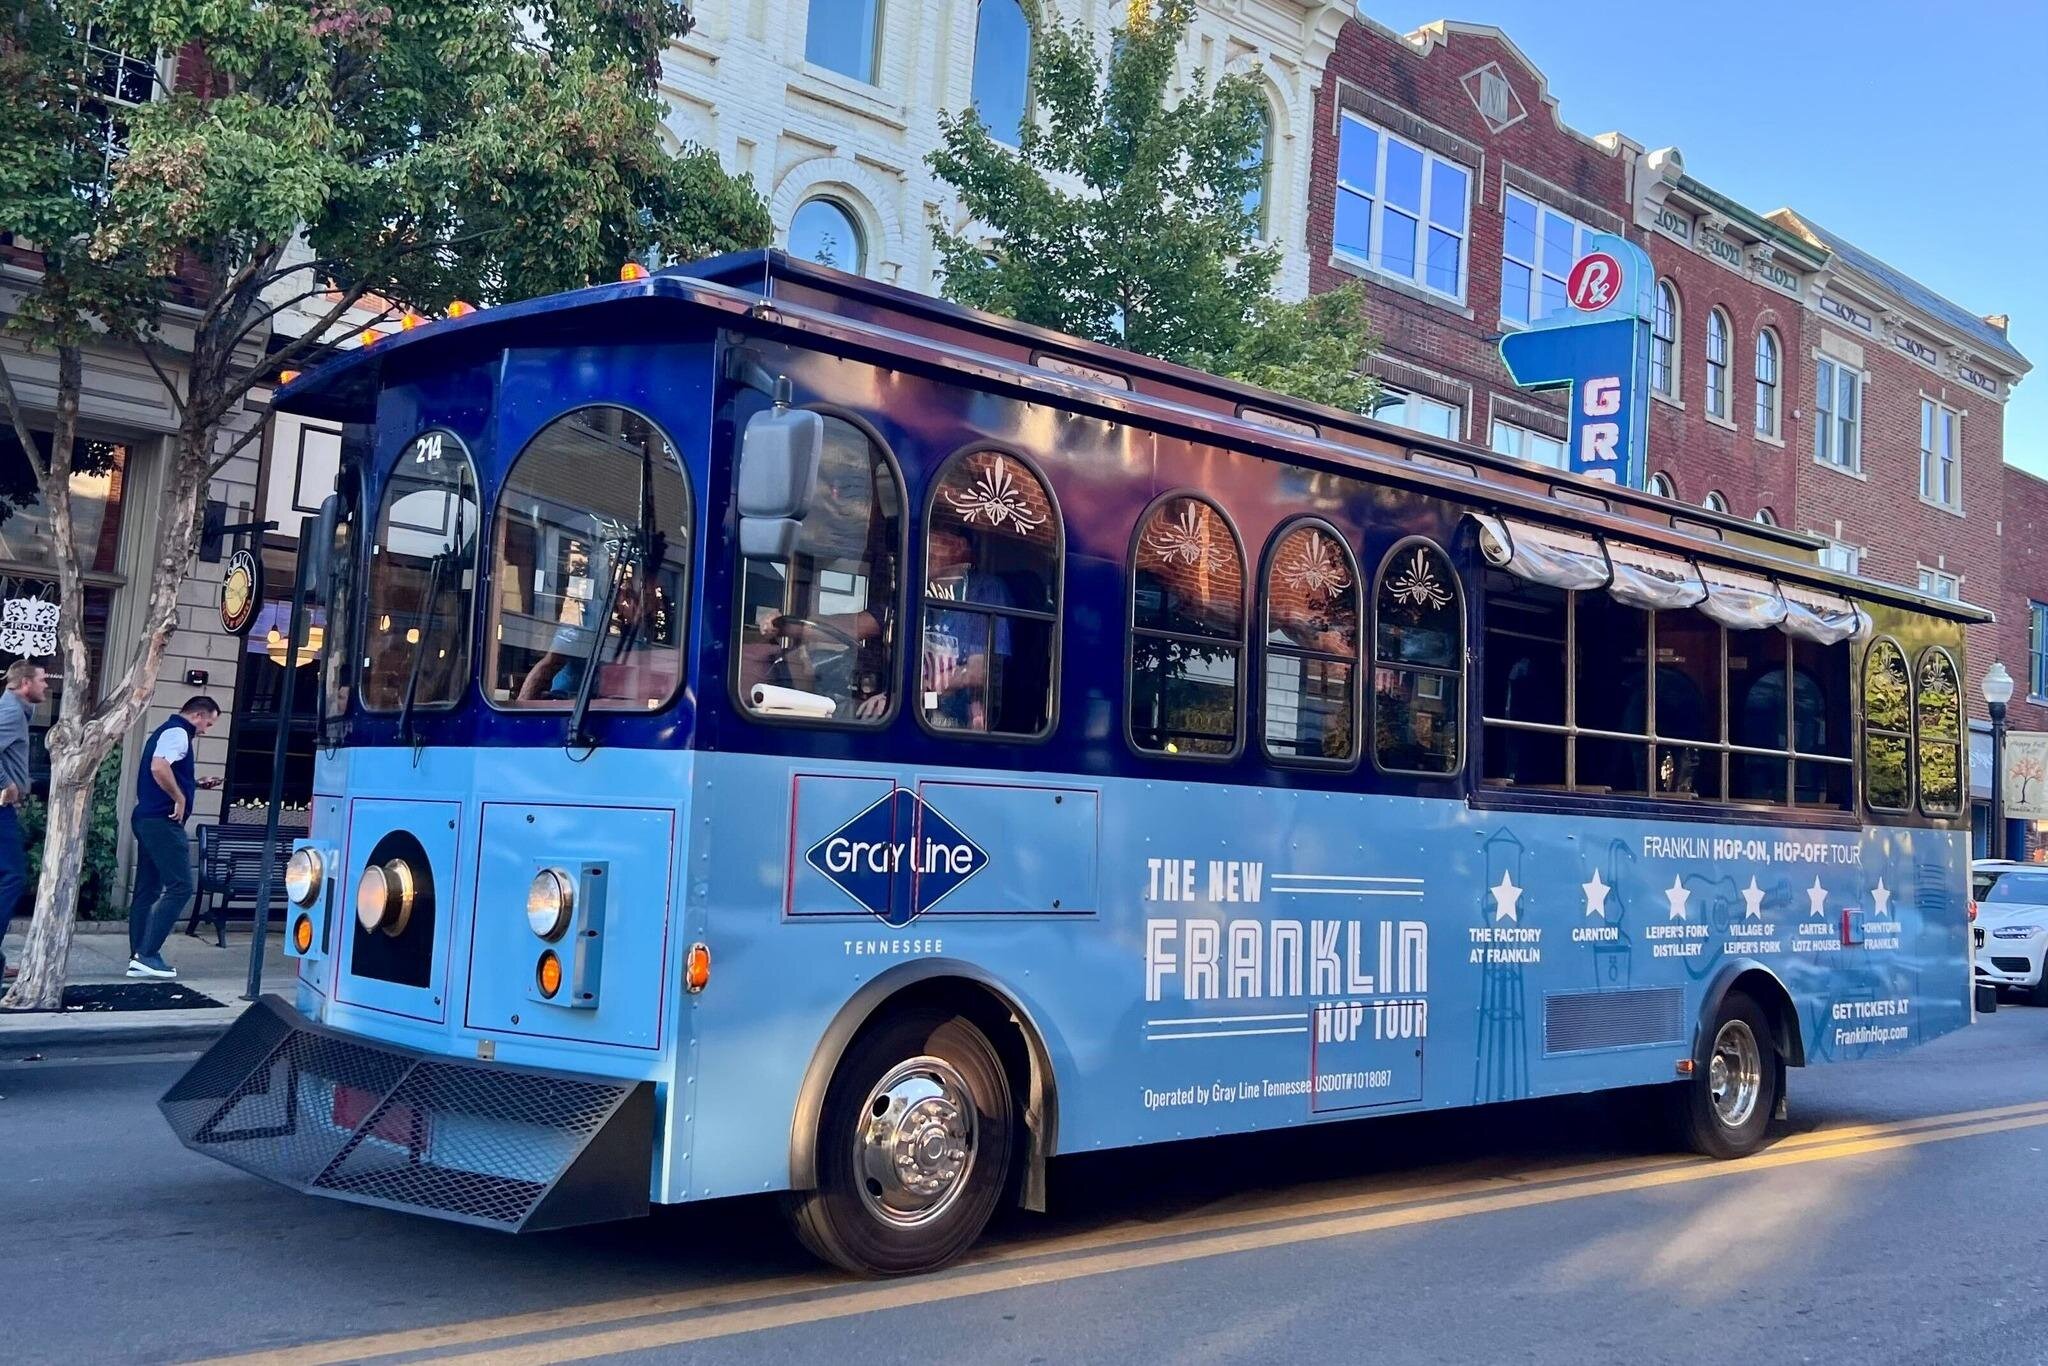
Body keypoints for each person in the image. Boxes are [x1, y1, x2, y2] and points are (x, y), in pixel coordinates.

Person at [126, 696, 222, 980]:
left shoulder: (166, 731)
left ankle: (138, 956)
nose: (206, 730)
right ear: (198, 715)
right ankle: (147, 954)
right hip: (163, 823)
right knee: (181, 887)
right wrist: (179, 797)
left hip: (147, 818)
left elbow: (162, 770)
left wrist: (194, 784)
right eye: (208, 723)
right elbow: (159, 767)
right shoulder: (179, 733)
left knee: (147, 890)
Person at [921, 524, 1012, 731]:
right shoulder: (920, 588)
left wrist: (921, 686)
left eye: (935, 540)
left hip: (958, 722)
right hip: (920, 709)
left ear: (958, 546)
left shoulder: (984, 591)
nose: (927, 548)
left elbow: (978, 671)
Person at [0, 659, 50, 983]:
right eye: (42, 679)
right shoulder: (9, 711)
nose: (47, 685)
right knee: (12, 877)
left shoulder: (17, 710)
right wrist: (6, 783)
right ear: (25, 683)